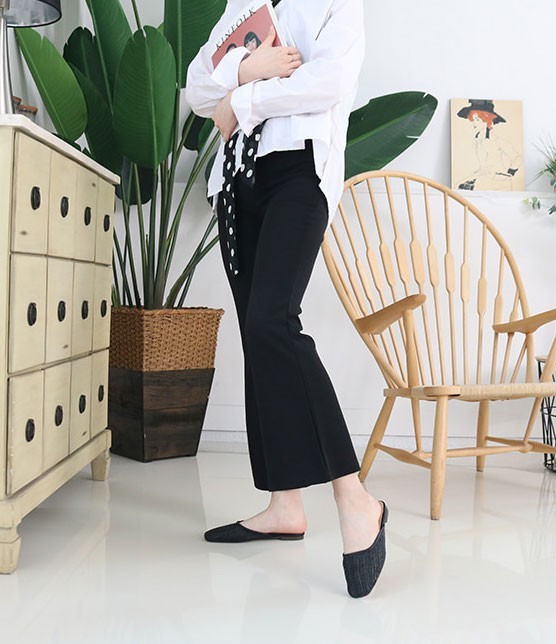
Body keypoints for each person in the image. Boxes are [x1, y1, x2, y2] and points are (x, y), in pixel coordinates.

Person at [185, 0, 387, 598]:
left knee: (275, 321)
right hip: (236, 180)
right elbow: (199, 88)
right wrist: (252, 69)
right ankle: (284, 505)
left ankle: (355, 499)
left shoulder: (338, 6)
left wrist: (241, 99)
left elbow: (328, 84)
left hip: (299, 171)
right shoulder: (241, 7)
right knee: (258, 334)